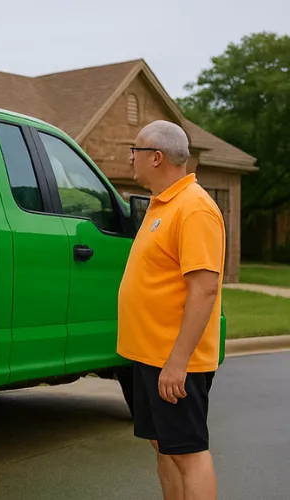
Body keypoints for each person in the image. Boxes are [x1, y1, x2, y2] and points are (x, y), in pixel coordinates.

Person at [119, 120, 224, 500]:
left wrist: (177, 362)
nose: (131, 157)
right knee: (164, 447)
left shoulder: (194, 209)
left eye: (136, 149)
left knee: (189, 454)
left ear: (156, 157)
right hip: (150, 356)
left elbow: (205, 288)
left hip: (175, 362)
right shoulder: (162, 204)